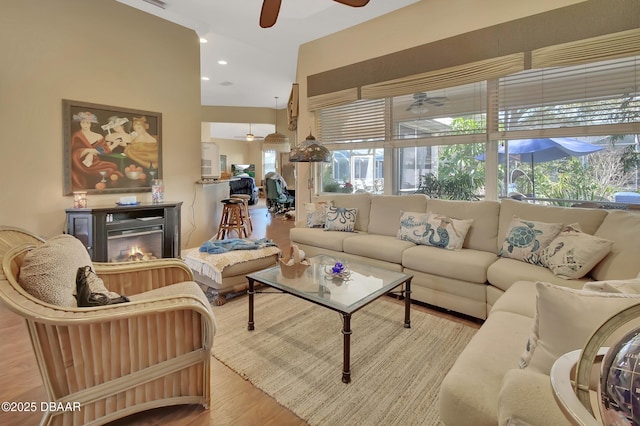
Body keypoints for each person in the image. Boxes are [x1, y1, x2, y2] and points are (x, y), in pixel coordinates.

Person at [70, 111, 122, 190]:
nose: (85, 125)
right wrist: (87, 150)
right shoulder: (77, 135)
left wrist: (114, 145)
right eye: (83, 122)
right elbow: (73, 151)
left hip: (95, 161)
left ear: (91, 124)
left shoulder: (98, 136)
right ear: (80, 123)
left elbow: (102, 151)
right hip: (79, 163)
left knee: (112, 166)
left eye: (88, 123)